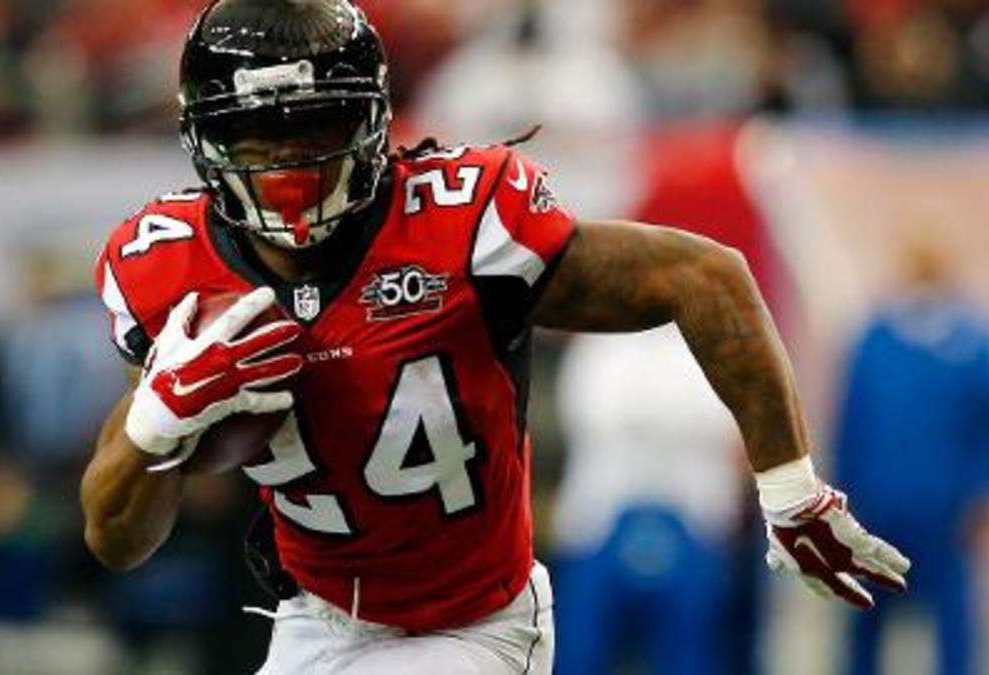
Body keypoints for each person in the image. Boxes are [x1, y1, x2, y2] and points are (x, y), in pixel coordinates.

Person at [81, 1, 911, 673]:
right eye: (258, 137)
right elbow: (116, 539)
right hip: (315, 620)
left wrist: (790, 488)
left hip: (474, 624)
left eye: (317, 128)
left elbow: (707, 277)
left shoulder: (462, 224)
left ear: (370, 122)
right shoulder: (168, 270)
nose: (288, 165)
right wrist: (156, 421)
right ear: (207, 141)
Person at [835, 239, 989, 675]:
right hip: (880, 508)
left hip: (947, 514)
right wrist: (842, 499)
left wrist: (985, 496)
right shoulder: (875, 340)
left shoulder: (975, 345)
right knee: (864, 625)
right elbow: (851, 423)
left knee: (955, 630)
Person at [551, 329, 743, 675]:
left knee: (690, 653)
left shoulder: (718, 343)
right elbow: (589, 416)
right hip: (598, 522)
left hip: (696, 522)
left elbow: (732, 432)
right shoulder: (599, 343)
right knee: (581, 648)